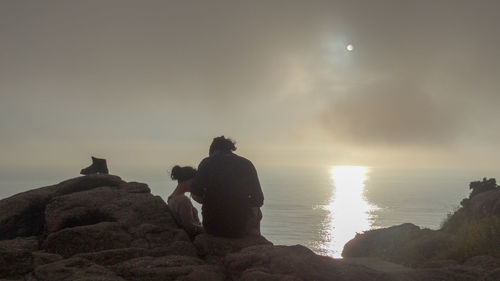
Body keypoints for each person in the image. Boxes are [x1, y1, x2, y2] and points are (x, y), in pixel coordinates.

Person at [190, 136, 264, 238]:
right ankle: (254, 239)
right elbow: (259, 200)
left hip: (213, 227)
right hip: (240, 227)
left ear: (213, 151)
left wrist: (211, 200)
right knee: (257, 211)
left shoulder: (207, 163)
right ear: (230, 149)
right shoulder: (246, 164)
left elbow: (195, 194)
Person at [167, 165, 204, 238]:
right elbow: (190, 227)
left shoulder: (171, 198)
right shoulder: (183, 200)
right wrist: (208, 230)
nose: (196, 184)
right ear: (188, 180)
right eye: (194, 181)